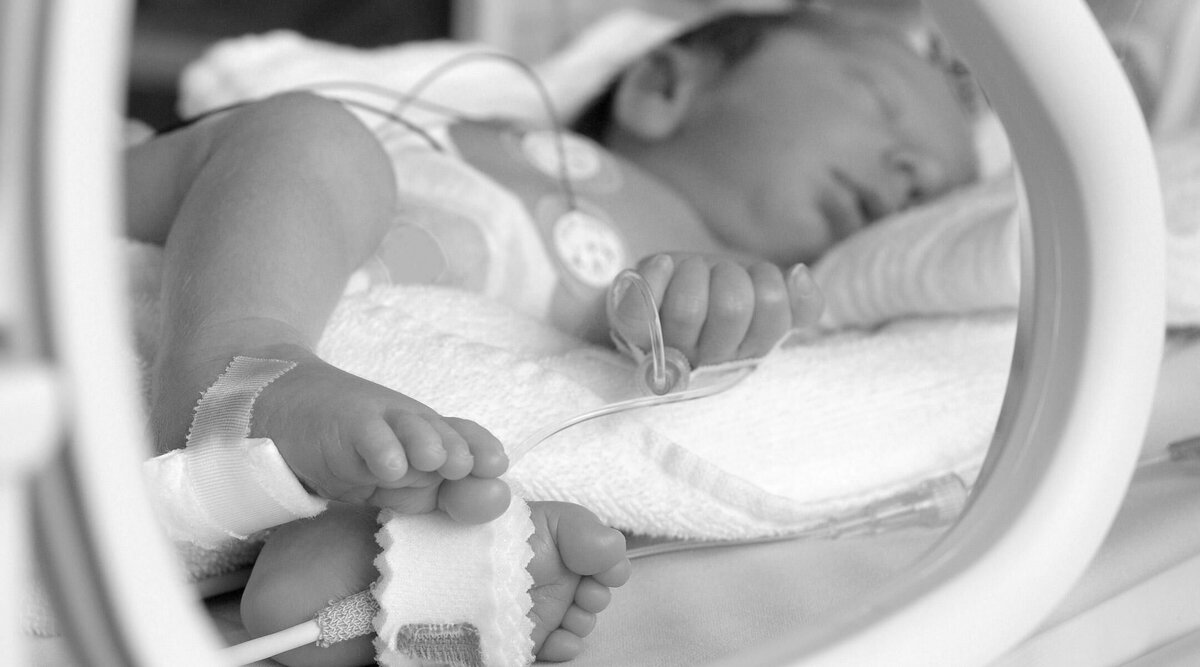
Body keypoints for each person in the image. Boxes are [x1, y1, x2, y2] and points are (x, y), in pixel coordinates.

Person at [125, 7, 977, 665]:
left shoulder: (719, 284)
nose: (917, 172)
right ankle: (228, 372)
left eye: (932, 195)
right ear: (663, 90)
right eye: (880, 104)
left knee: (454, 472)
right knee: (311, 136)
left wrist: (694, 325)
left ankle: (346, 579)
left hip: (359, 397)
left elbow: (636, 358)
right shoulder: (518, 143)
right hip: (209, 240)